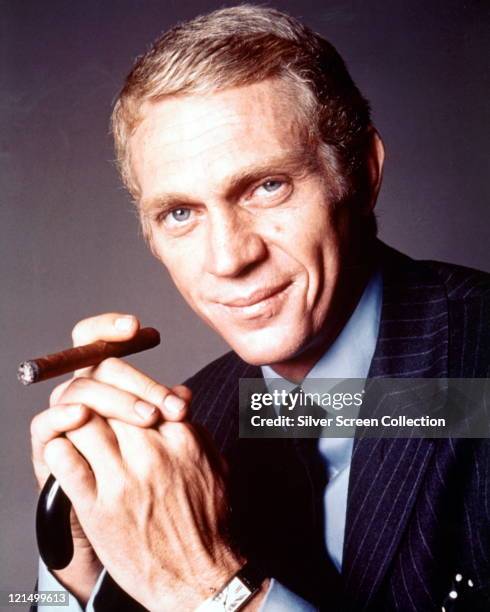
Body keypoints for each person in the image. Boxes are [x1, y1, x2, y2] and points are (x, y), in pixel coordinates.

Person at [30, 5, 489, 611]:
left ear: (363, 174)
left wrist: (212, 593)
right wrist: (88, 573)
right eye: (180, 213)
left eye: (267, 186)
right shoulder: (194, 425)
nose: (228, 259)